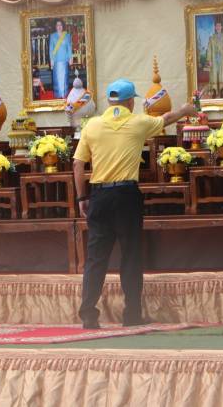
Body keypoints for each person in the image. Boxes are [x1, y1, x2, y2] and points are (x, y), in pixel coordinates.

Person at [73, 79, 196, 329]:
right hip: (126, 196)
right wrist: (186, 110)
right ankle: (131, 315)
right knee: (130, 255)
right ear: (130, 102)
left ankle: (88, 314)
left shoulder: (92, 125)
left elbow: (78, 164)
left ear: (110, 101)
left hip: (99, 196)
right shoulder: (138, 122)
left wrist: (82, 198)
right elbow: (167, 118)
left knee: (96, 258)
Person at [48, 19, 73, 98]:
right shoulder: (52, 36)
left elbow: (69, 48)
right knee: (57, 79)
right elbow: (51, 49)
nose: (59, 26)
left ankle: (65, 94)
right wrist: (51, 60)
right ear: (55, 27)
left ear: (63, 26)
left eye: (60, 25)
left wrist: (70, 58)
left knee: (64, 78)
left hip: (64, 60)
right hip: (56, 61)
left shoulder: (67, 35)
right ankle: (58, 95)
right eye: (57, 25)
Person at [205, 20, 223, 98]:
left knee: (221, 74)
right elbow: (209, 49)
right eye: (217, 26)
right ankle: (214, 91)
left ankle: (222, 90)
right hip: (214, 59)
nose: (218, 27)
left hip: (222, 59)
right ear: (215, 27)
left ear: (221, 27)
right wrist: (209, 60)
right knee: (214, 74)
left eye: (219, 26)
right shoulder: (211, 38)